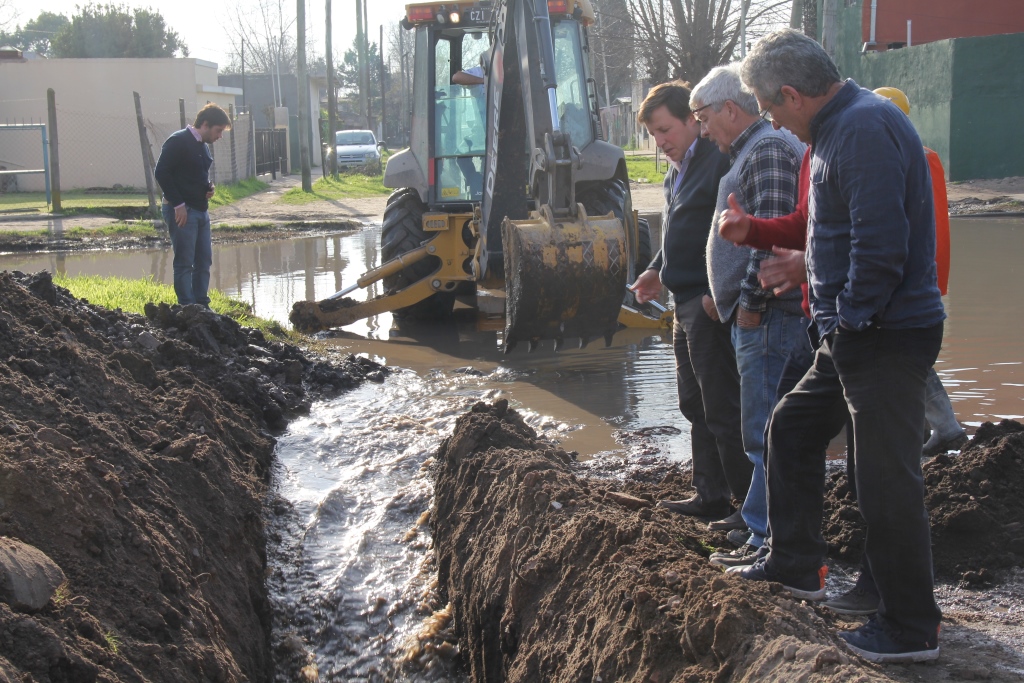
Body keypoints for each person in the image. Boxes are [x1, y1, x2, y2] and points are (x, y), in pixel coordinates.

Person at [729, 29, 946, 664]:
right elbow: (829, 224)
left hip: (882, 332)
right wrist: (759, 234)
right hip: (854, 330)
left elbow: (882, 248)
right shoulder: (835, 133)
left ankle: (910, 629)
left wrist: (847, 322)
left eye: (770, 110)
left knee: (885, 479)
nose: (774, 123)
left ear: (791, 95)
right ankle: (797, 564)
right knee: (792, 428)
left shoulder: (861, 130)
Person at [687, 64, 807, 551]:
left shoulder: (769, 150)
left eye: (701, 117)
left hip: (770, 317)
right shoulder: (752, 151)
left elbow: (774, 237)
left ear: (729, 110)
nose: (701, 128)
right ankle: (763, 530)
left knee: (764, 431)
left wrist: (750, 304)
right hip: (755, 315)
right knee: (763, 430)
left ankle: (769, 538)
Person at [629, 81, 750, 520]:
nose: (661, 143)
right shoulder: (676, 171)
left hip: (707, 301)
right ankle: (710, 494)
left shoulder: (718, 160)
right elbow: (682, 230)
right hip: (683, 302)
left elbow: (731, 229)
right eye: (654, 135)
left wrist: (723, 291)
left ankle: (749, 506)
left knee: (722, 404)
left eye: (666, 130)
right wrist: (655, 270)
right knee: (694, 403)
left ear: (691, 122)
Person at [154, 103, 229, 307]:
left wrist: (208, 188)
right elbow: (161, 172)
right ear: (205, 124)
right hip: (182, 211)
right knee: (185, 263)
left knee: (204, 262)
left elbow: (195, 175)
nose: (220, 136)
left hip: (201, 211)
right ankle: (187, 308)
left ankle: (202, 306)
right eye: (218, 130)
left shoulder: (202, 146)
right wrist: (178, 204)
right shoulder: (178, 140)